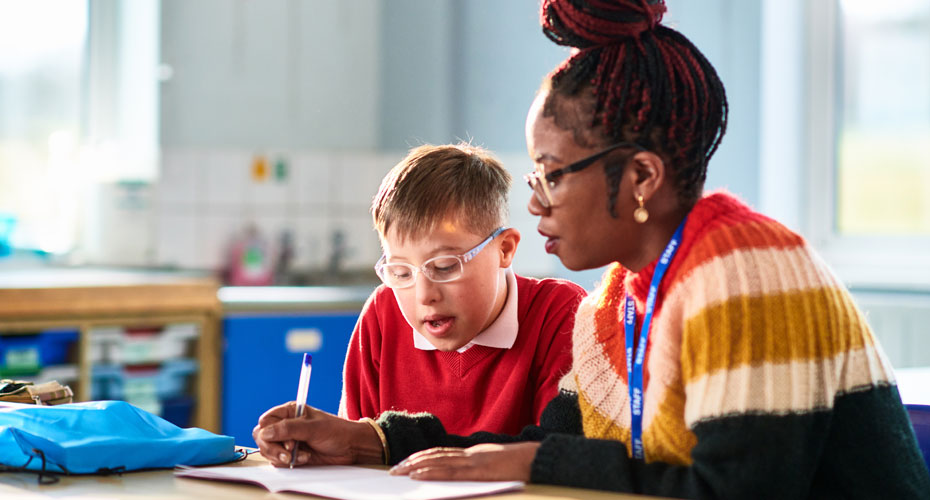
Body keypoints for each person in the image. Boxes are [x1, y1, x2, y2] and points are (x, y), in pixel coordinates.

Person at [254, 1, 930, 498]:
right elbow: (552, 446)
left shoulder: (744, 273)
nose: (537, 200)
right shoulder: (617, 300)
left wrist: (530, 463)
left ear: (639, 178)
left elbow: (732, 492)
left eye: (552, 173)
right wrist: (370, 439)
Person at [335, 143, 585, 436]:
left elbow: (556, 455)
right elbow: (355, 449)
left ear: (504, 249)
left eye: (444, 267)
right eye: (401, 272)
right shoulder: (383, 314)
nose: (423, 295)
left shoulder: (559, 313)